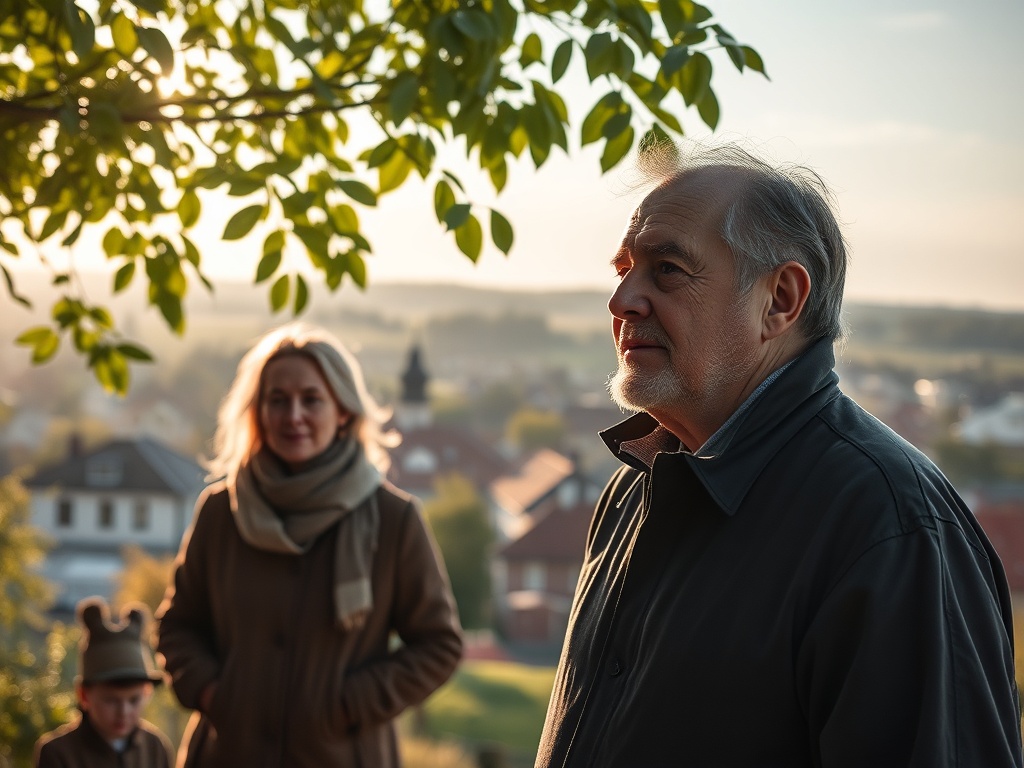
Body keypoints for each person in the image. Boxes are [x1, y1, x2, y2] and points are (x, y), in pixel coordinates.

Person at [535, 144, 1023, 767]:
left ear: (781, 300)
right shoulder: (637, 489)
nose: (622, 300)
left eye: (667, 269)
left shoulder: (889, 527)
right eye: (623, 268)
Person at [156, 323, 462, 767]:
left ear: (343, 410)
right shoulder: (221, 511)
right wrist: (215, 693)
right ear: (256, 412)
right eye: (276, 400)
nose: (292, 414)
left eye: (311, 399)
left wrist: (346, 705)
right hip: (227, 754)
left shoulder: (394, 520)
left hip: (344, 755)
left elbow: (439, 645)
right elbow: (178, 625)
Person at [34, 597, 174, 768]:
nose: (123, 712)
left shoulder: (155, 747)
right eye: (111, 700)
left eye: (134, 700)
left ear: (147, 692)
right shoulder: (58, 753)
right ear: (84, 695)